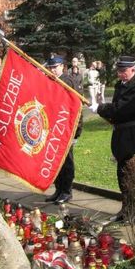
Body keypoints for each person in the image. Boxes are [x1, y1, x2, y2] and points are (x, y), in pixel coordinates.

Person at [89, 56, 135, 222]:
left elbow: (121, 109)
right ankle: (125, 208)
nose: (120, 74)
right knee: (122, 173)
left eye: (123, 71)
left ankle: (133, 211)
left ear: (133, 69)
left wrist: (100, 108)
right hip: (122, 134)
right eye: (118, 71)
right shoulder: (121, 85)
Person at [44, 56, 83, 205]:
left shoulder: (68, 81)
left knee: (66, 162)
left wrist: (77, 131)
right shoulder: (51, 80)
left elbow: (77, 106)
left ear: (62, 66)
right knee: (54, 160)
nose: (52, 70)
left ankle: (66, 191)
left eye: (55, 67)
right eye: (50, 67)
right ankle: (58, 189)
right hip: (53, 127)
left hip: (66, 127)